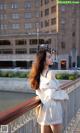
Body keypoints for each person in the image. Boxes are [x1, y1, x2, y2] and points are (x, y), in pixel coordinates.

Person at [29, 45, 69, 133]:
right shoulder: (50, 73)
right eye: (49, 57)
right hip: (53, 109)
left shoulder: (37, 75)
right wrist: (64, 94)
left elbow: (39, 92)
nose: (52, 58)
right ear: (43, 61)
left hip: (44, 109)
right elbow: (52, 94)